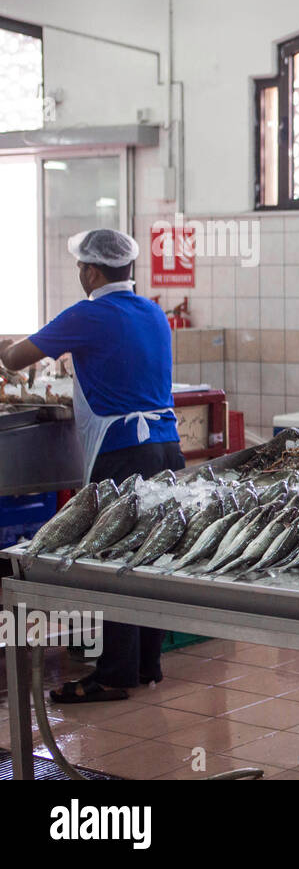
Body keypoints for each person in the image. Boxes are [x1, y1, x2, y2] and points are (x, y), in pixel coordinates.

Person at [1, 228, 183, 703]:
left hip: (123, 452)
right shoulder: (152, 311)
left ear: (93, 271)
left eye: (80, 267)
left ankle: (113, 675)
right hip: (167, 449)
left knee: (111, 561)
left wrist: (5, 347)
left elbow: (16, 360)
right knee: (151, 557)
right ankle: (146, 665)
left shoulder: (88, 314)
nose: (79, 274)